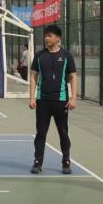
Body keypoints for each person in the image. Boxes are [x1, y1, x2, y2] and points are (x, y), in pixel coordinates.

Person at [29, 25, 77, 175]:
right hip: (42, 100)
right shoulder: (39, 55)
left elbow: (73, 77)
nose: (46, 38)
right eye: (46, 36)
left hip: (61, 101)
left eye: (50, 36)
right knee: (41, 133)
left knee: (63, 132)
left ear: (58, 38)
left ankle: (66, 161)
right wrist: (32, 97)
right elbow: (33, 76)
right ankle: (37, 162)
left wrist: (73, 98)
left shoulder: (66, 56)